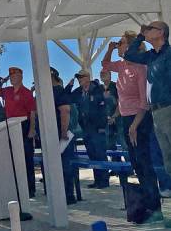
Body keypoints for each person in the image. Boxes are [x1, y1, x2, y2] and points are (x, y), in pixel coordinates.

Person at [102, 32, 161, 219]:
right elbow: (105, 65)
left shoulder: (140, 68)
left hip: (140, 118)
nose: (119, 45)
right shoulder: (121, 66)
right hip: (127, 118)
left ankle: (154, 205)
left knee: (144, 162)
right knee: (136, 162)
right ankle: (145, 202)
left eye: (121, 43)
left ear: (130, 47)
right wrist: (110, 49)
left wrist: (134, 125)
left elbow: (145, 102)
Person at [124, 22, 171, 181]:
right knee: (167, 159)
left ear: (161, 32)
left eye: (150, 28)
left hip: (168, 108)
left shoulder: (169, 54)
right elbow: (129, 55)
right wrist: (139, 37)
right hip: (156, 113)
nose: (146, 30)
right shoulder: (150, 56)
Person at [0, 66, 37, 198]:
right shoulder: (7, 90)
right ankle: (17, 187)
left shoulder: (26, 92)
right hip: (10, 125)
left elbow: (32, 112)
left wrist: (32, 129)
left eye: (14, 76)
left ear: (21, 77)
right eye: (10, 76)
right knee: (13, 158)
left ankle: (30, 188)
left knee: (27, 158)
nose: (12, 78)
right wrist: (2, 81)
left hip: (24, 125)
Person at [65, 70, 109, 188]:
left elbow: (104, 109)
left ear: (88, 77)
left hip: (98, 128)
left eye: (82, 77)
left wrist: (102, 126)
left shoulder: (98, 89)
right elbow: (66, 97)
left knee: (100, 154)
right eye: (78, 78)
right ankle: (97, 180)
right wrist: (69, 85)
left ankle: (104, 181)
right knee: (92, 155)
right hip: (86, 129)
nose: (80, 79)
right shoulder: (78, 92)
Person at [50, 67, 76, 205]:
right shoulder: (49, 93)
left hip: (62, 136)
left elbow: (65, 111)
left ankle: (68, 194)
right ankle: (61, 194)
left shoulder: (59, 92)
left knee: (65, 165)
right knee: (57, 165)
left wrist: (64, 132)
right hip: (53, 134)